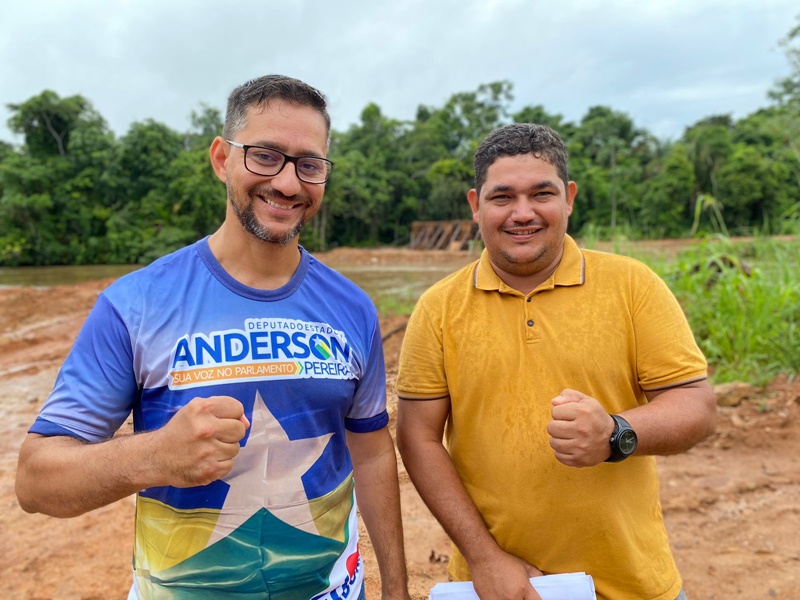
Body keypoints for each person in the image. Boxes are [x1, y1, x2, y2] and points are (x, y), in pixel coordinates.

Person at [16, 75, 411, 600]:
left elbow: (371, 451)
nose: (289, 184)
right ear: (222, 159)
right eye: (265, 155)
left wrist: (398, 587)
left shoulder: (353, 307)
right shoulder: (137, 304)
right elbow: (36, 481)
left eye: (308, 164)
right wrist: (153, 457)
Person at [395, 123, 717, 600]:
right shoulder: (439, 308)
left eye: (541, 193)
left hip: (633, 583)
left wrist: (615, 432)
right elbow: (418, 437)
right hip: (497, 585)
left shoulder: (632, 286)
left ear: (568, 197)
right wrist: (484, 556)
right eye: (502, 197)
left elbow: (697, 406)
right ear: (475, 205)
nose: (522, 213)